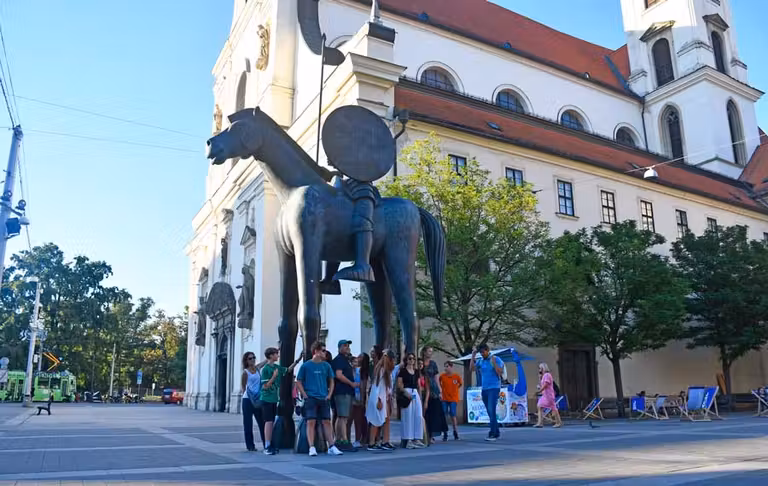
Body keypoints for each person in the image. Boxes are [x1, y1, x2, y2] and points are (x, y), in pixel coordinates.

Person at [295, 341, 343, 457]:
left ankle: (331, 446)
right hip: (311, 397)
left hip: (323, 397)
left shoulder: (326, 365)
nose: (325, 353)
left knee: (327, 421)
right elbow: (298, 381)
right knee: (311, 421)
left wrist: (329, 394)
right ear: (316, 351)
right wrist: (304, 394)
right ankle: (311, 447)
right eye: (323, 350)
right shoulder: (306, 365)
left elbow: (331, 380)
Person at [260, 347, 302, 454]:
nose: (278, 356)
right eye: (276, 354)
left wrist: (298, 360)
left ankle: (270, 444)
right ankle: (267, 445)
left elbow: (287, 370)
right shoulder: (265, 369)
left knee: (271, 421)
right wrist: (274, 377)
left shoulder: (276, 367)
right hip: (266, 398)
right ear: (270, 355)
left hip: (274, 399)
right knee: (268, 422)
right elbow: (265, 386)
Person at [470, 344, 503, 441]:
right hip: (485, 389)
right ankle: (496, 431)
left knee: (491, 409)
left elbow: (499, 372)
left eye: (483, 352)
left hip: (494, 387)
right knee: (489, 411)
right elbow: (471, 369)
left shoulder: (496, 359)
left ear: (488, 350)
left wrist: (494, 363)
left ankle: (492, 433)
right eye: (480, 352)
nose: (482, 354)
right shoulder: (481, 360)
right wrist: (473, 355)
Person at [331, 339, 359, 451]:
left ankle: (339, 439)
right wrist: (351, 383)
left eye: (348, 346)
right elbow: (338, 375)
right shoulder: (339, 360)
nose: (347, 347)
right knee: (343, 417)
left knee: (342, 416)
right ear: (339, 348)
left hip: (345, 391)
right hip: (342, 391)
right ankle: (344, 439)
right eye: (345, 345)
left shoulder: (344, 360)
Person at [366, 349, 396, 451]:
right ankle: (371, 443)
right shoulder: (382, 370)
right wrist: (379, 399)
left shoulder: (386, 370)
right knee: (376, 419)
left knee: (386, 419)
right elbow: (377, 386)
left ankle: (385, 441)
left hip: (385, 397)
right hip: (379, 397)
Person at [397, 352, 426, 449]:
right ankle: (408, 440)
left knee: (417, 415)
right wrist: (406, 393)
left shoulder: (417, 371)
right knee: (408, 416)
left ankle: (417, 438)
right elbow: (399, 385)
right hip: (407, 391)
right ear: (406, 360)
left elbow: (419, 385)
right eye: (410, 358)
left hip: (415, 393)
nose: (412, 360)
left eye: (413, 359)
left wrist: (420, 397)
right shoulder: (403, 371)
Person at [241, 351, 268, 452]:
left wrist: (277, 350)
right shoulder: (245, 372)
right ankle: (250, 445)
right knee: (248, 423)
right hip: (247, 400)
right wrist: (248, 395)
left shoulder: (257, 368)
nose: (252, 360)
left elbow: (265, 361)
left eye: (253, 358)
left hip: (258, 399)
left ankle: (266, 443)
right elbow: (243, 386)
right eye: (250, 358)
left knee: (262, 422)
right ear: (246, 361)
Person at [421, 346, 448, 444]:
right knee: (425, 412)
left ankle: (432, 435)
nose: (430, 353)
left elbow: (436, 377)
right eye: (429, 351)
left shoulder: (433, 364)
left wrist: (440, 390)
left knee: (434, 413)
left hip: (433, 389)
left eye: (431, 351)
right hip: (423, 388)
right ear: (424, 352)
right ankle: (425, 434)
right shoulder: (420, 363)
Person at [439, 361, 463, 441]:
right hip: (445, 399)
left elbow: (460, 384)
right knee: (444, 414)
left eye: (447, 366)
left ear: (451, 367)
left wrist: (455, 390)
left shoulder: (456, 376)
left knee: (453, 414)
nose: (445, 368)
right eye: (445, 366)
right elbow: (439, 384)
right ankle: (445, 432)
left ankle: (455, 432)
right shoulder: (442, 376)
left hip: (453, 398)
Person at [534, 362, 562, 428]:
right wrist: (540, 378)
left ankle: (558, 422)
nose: (539, 369)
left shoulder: (547, 375)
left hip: (549, 395)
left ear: (543, 368)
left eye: (540, 368)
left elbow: (546, 385)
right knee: (539, 406)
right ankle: (540, 423)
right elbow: (542, 385)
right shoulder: (543, 376)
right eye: (539, 368)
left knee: (553, 408)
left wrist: (539, 391)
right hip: (545, 395)